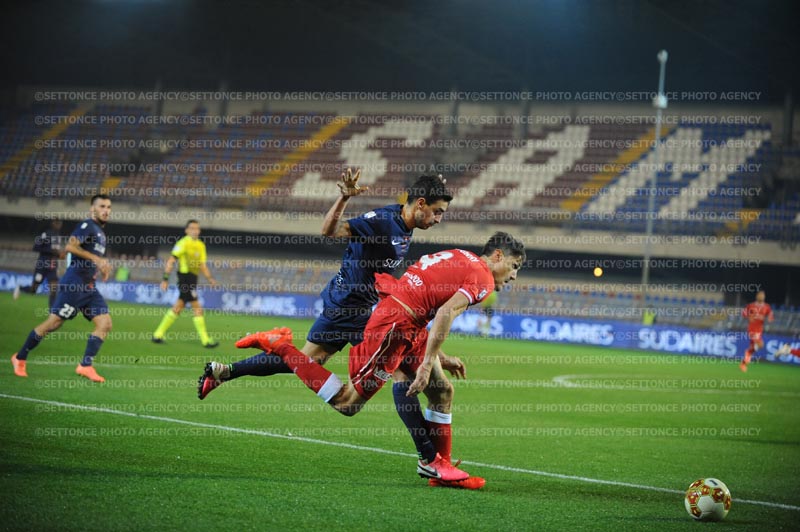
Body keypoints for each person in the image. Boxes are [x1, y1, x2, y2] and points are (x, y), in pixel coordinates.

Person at [235, 232, 525, 485]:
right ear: (497, 255)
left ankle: (440, 466)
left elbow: (425, 296)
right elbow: (445, 312)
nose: (514, 276)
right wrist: (427, 363)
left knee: (442, 391)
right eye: (514, 266)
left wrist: (439, 356)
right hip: (394, 327)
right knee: (348, 403)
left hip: (407, 321)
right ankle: (281, 347)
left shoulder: (462, 256)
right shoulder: (483, 278)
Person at [11, 194, 113, 382]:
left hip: (89, 286)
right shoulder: (87, 225)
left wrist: (101, 266)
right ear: (92, 209)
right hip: (74, 284)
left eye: (108, 207)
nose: (106, 210)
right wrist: (97, 259)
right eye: (102, 206)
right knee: (54, 323)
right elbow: (71, 247)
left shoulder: (100, 233)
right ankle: (20, 357)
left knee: (105, 324)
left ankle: (85, 366)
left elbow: (87, 256)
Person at [152, 220, 219, 348]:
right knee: (197, 307)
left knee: (179, 306)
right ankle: (205, 340)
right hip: (185, 278)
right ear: (186, 230)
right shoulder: (183, 243)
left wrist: (210, 278)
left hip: (193, 278)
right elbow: (171, 260)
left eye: (197, 228)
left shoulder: (201, 245)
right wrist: (165, 279)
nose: (195, 231)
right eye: (192, 228)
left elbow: (202, 265)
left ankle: (158, 334)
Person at [13, 219, 65, 307]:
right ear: (52, 224)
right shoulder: (46, 234)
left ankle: (52, 311)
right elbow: (36, 247)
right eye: (57, 223)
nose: (58, 225)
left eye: (60, 223)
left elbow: (56, 251)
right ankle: (20, 287)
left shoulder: (58, 236)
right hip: (42, 265)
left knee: (54, 288)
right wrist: (52, 251)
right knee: (33, 290)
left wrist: (59, 255)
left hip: (52, 266)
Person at [739, 290, 774, 372]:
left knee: (753, 348)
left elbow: (771, 316)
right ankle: (746, 356)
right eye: (760, 295)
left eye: (763, 295)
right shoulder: (751, 305)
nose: (762, 296)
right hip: (752, 329)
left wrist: (769, 318)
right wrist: (749, 317)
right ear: (757, 296)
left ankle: (744, 363)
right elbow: (744, 313)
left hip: (759, 331)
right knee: (760, 344)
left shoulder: (767, 307)